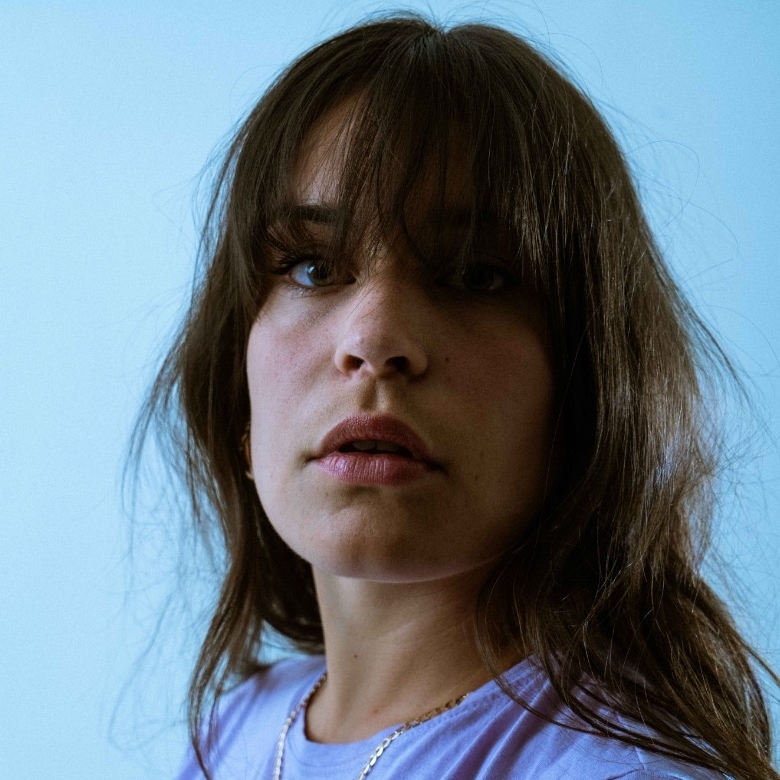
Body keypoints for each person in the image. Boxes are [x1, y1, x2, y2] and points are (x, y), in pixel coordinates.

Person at [137, 13, 779, 780]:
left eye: (476, 274)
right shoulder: (230, 736)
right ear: (238, 404)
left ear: (587, 394)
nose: (374, 338)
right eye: (313, 267)